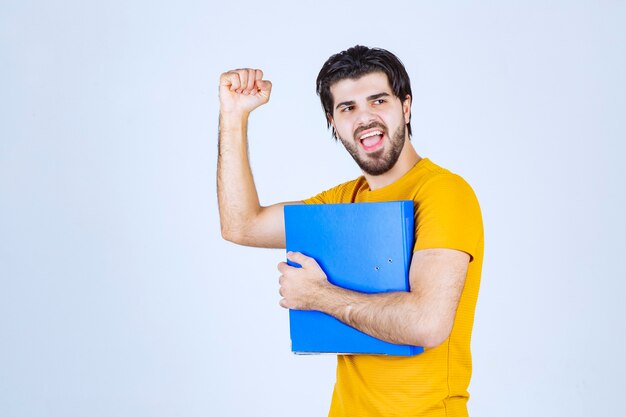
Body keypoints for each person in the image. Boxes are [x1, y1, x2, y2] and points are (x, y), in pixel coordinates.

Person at [217, 45, 484, 417]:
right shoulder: (343, 201)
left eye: (378, 101)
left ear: (405, 107)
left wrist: (319, 295)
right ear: (332, 121)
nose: (365, 118)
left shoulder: (444, 193)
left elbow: (428, 323)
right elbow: (241, 225)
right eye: (348, 108)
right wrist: (233, 118)